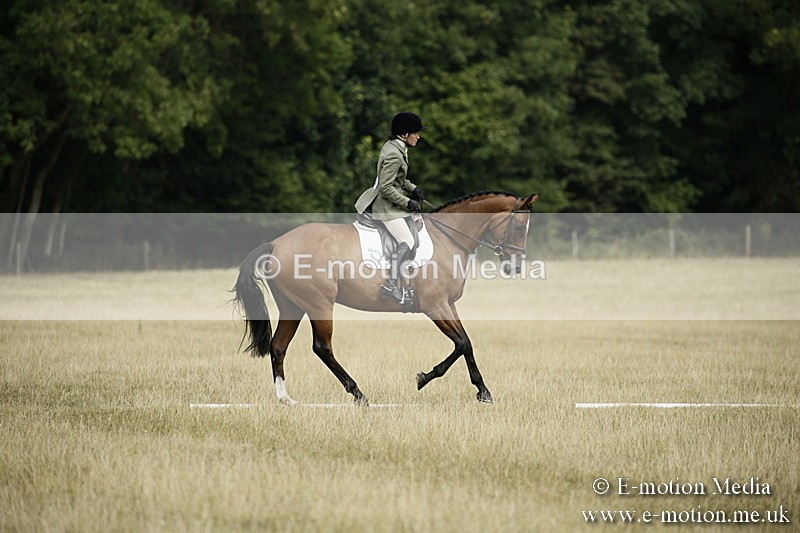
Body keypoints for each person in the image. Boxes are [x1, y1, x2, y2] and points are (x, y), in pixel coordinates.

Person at [355, 112, 426, 303]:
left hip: (390, 203)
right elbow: (386, 187)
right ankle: (389, 286)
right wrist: (407, 202)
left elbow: (398, 180)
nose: (418, 136)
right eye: (415, 133)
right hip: (386, 208)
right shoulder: (395, 153)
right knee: (407, 241)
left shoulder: (396, 147)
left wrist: (413, 189)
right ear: (404, 134)